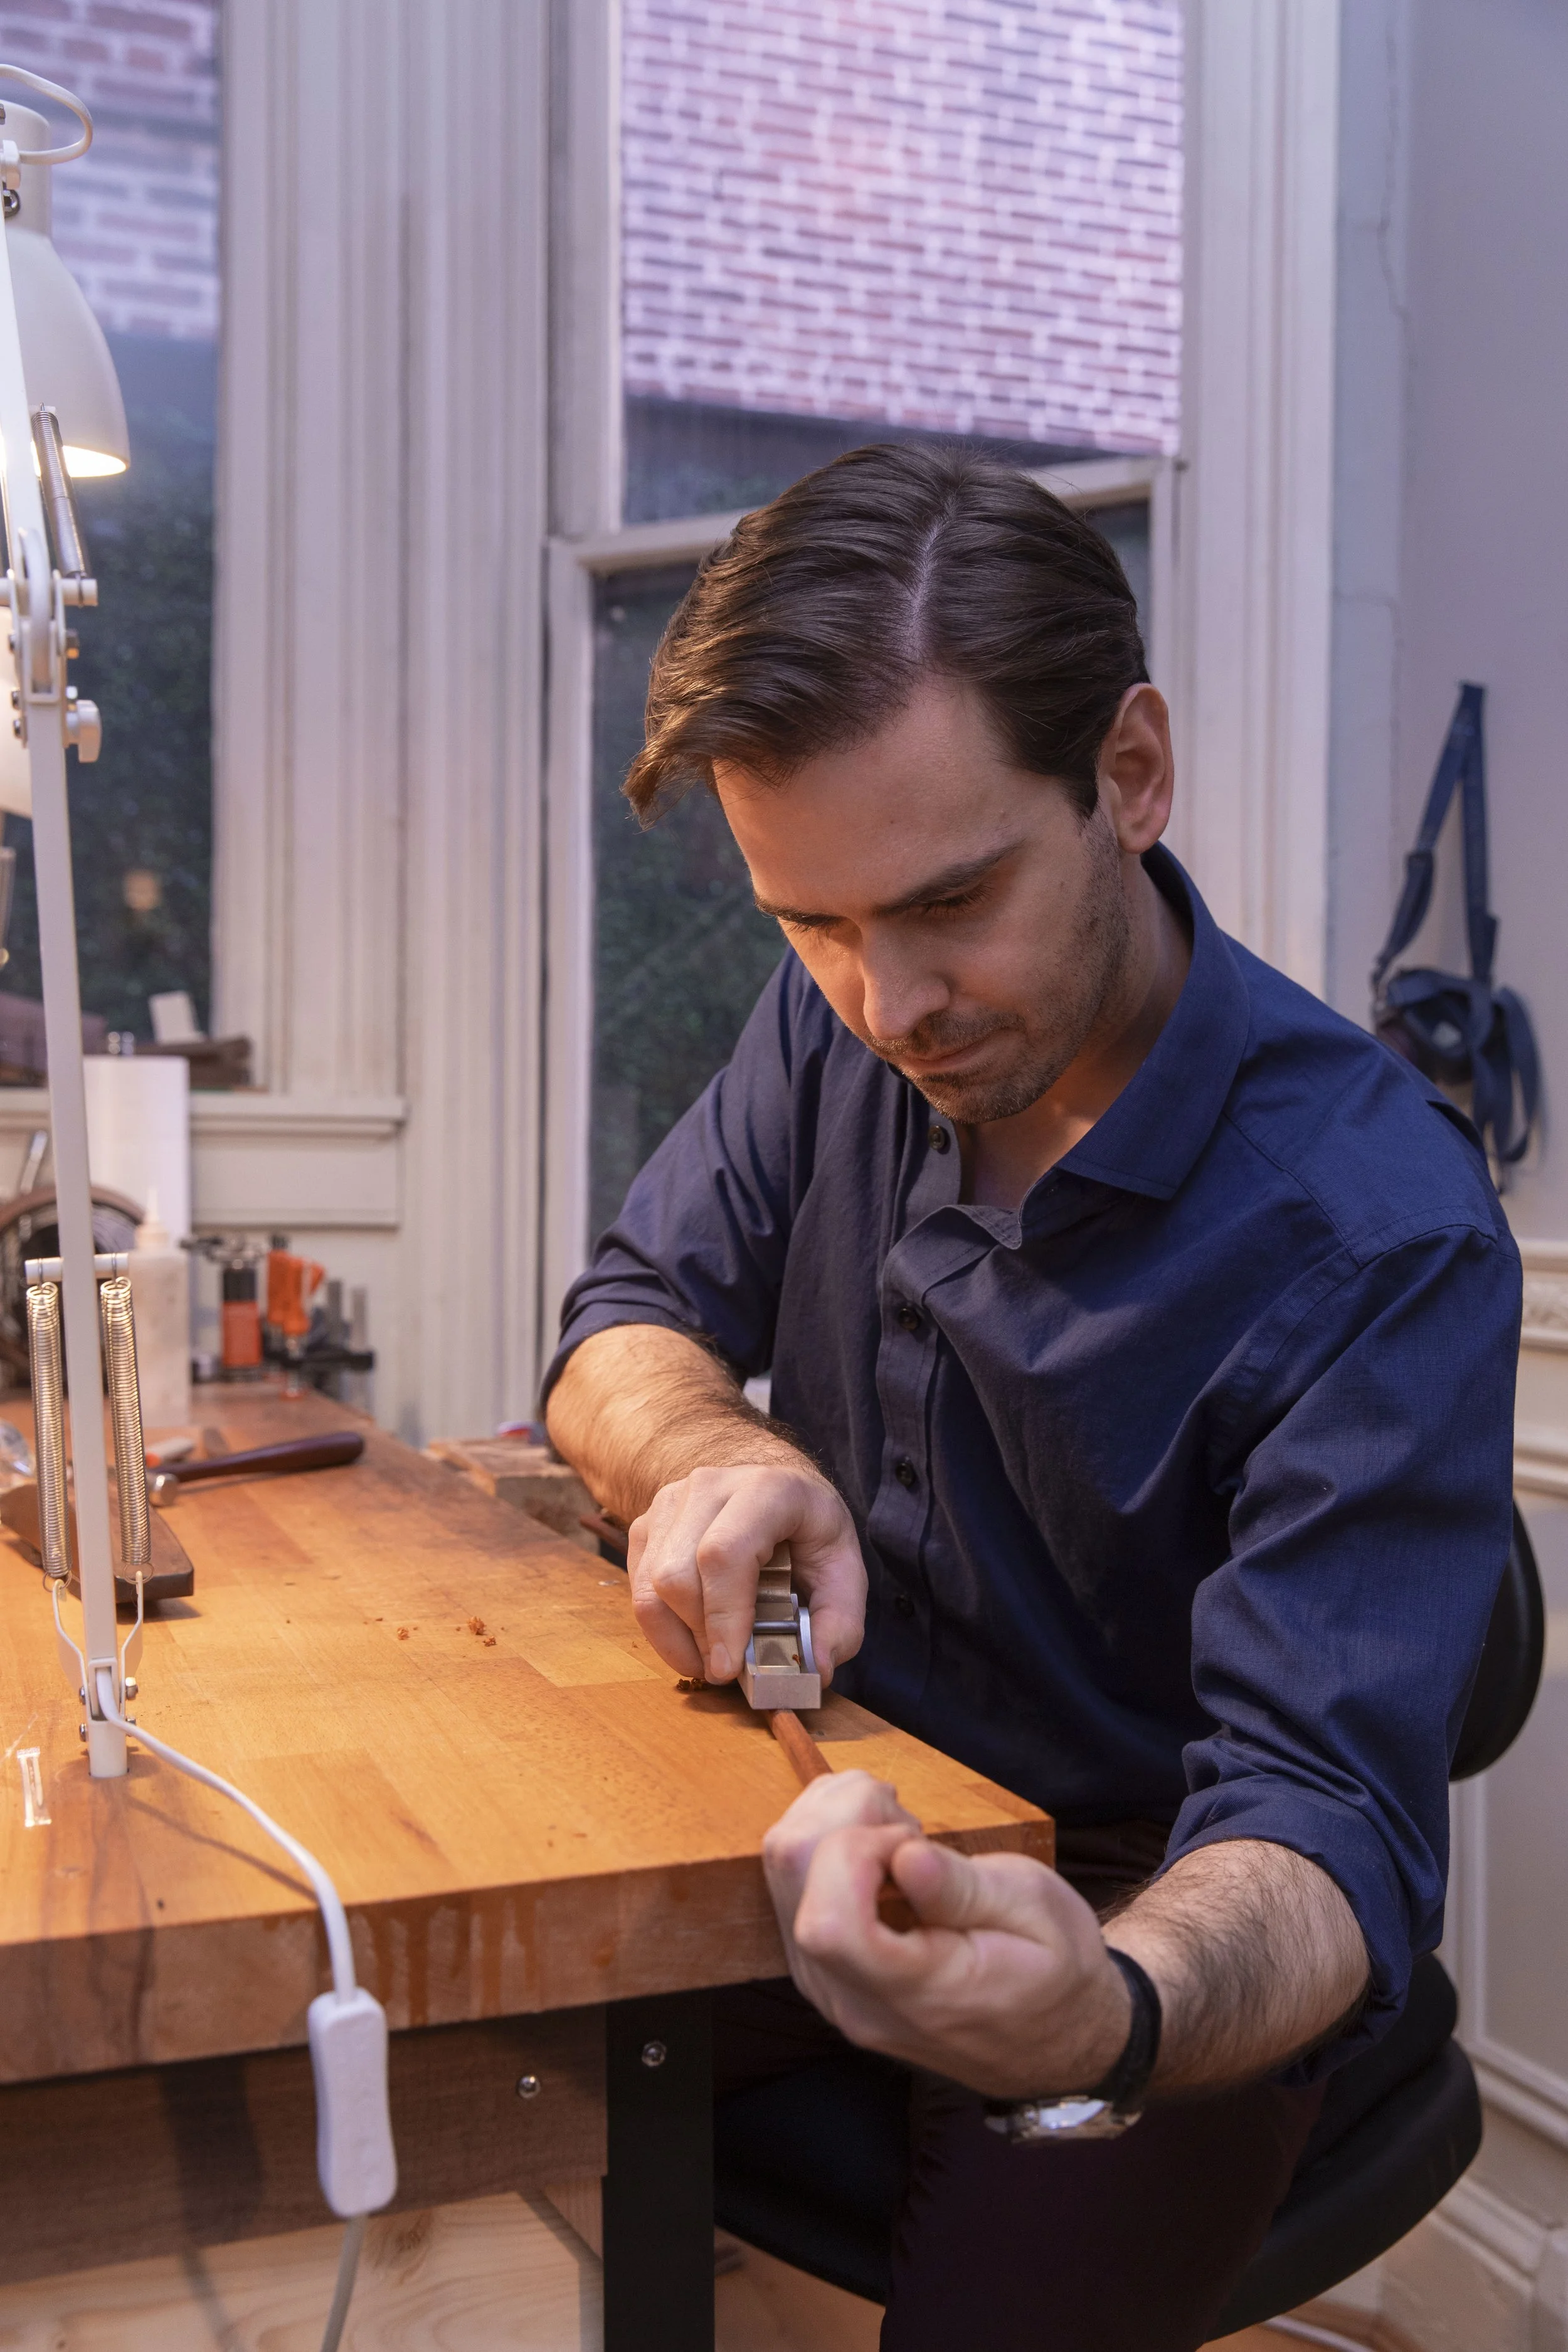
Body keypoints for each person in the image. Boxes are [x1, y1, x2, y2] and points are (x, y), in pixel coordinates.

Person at [544, 445, 1520, 2350]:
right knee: (439, 2097)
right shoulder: (850, 1009)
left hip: (1161, 1919)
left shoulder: (1376, 1226)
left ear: (1129, 777)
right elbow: (626, 1314)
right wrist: (706, 1448)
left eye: (949, 898)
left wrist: (1110, 2005)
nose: (882, 1003)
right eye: (805, 925)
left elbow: (1319, 1821)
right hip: (840, 1803)